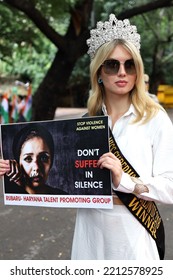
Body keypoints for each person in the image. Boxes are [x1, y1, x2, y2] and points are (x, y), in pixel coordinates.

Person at [71, 14, 173, 260]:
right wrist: (15, 168)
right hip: (89, 233)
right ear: (99, 72)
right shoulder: (86, 121)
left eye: (130, 65)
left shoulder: (154, 117)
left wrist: (124, 180)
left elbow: (171, 186)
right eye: (112, 65)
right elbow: (64, 177)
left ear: (138, 72)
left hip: (133, 234)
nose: (122, 72)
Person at [0, 123, 67, 195]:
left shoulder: (63, 196)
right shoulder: (6, 193)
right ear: (17, 162)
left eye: (43, 158)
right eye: (28, 159)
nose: (36, 167)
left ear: (51, 161)